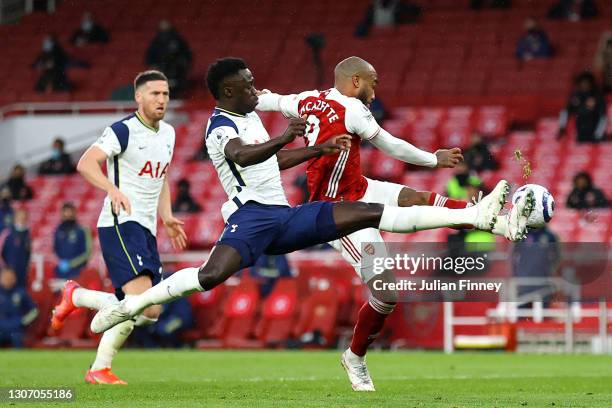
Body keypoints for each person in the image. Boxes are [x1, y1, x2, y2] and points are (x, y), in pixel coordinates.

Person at [89, 58, 534, 388]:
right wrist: (290, 135)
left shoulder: (258, 114)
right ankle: (125, 307)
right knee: (210, 275)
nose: (256, 90)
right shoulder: (222, 124)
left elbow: (275, 155)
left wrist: (314, 151)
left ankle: (487, 217)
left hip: (298, 211)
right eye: (247, 85)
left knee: (384, 208)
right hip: (253, 218)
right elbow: (240, 156)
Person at [256, 55, 531, 391]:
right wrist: (434, 159)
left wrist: (247, 98)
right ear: (356, 81)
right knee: (386, 293)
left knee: (417, 197)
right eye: (373, 80)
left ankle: (496, 222)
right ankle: (355, 357)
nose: (376, 88)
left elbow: (270, 99)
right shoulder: (353, 109)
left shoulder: (308, 99)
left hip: (358, 188)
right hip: (336, 213)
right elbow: (390, 145)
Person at [50, 70, 186, 385]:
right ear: (139, 96)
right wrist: (111, 189)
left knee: (147, 311)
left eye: (165, 94)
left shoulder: (168, 133)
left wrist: (166, 216)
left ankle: (95, 355)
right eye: (155, 94)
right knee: (143, 304)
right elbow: (85, 162)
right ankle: (79, 303)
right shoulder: (123, 130)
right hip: (120, 223)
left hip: (146, 228)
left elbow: (161, 177)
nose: (162, 100)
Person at [145, 20, 192, 95]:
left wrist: (182, 64)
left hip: (176, 69)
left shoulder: (178, 41)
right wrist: (154, 66)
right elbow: (149, 57)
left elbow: (187, 55)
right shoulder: (156, 43)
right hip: (161, 68)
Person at [558, 71, 607, 143]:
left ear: (591, 84)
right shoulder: (575, 96)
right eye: (582, 82)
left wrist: (598, 134)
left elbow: (603, 117)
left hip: (595, 133)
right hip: (580, 132)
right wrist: (562, 127)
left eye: (586, 82)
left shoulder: (597, 97)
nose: (584, 85)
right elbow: (566, 111)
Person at [0, 267, 38, 348]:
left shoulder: (21, 293)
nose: (7, 280)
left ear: (14, 278)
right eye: (5, 277)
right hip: (1, 328)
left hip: (16, 329)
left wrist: (23, 322)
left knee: (18, 341)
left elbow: (34, 311)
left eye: (10, 277)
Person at [53, 202, 92, 280]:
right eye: (65, 212)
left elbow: (87, 253)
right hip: (61, 272)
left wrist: (71, 264)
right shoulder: (57, 231)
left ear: (74, 213)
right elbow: (55, 249)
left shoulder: (82, 230)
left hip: (78, 272)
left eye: (70, 211)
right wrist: (60, 262)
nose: (67, 214)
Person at [1, 209, 31, 288]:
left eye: (24, 218)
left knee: (21, 293)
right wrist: (5, 268)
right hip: (8, 272)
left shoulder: (27, 234)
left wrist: (27, 267)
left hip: (22, 271)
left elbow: (28, 253)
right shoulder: (7, 233)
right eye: (20, 217)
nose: (22, 220)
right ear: (15, 218)